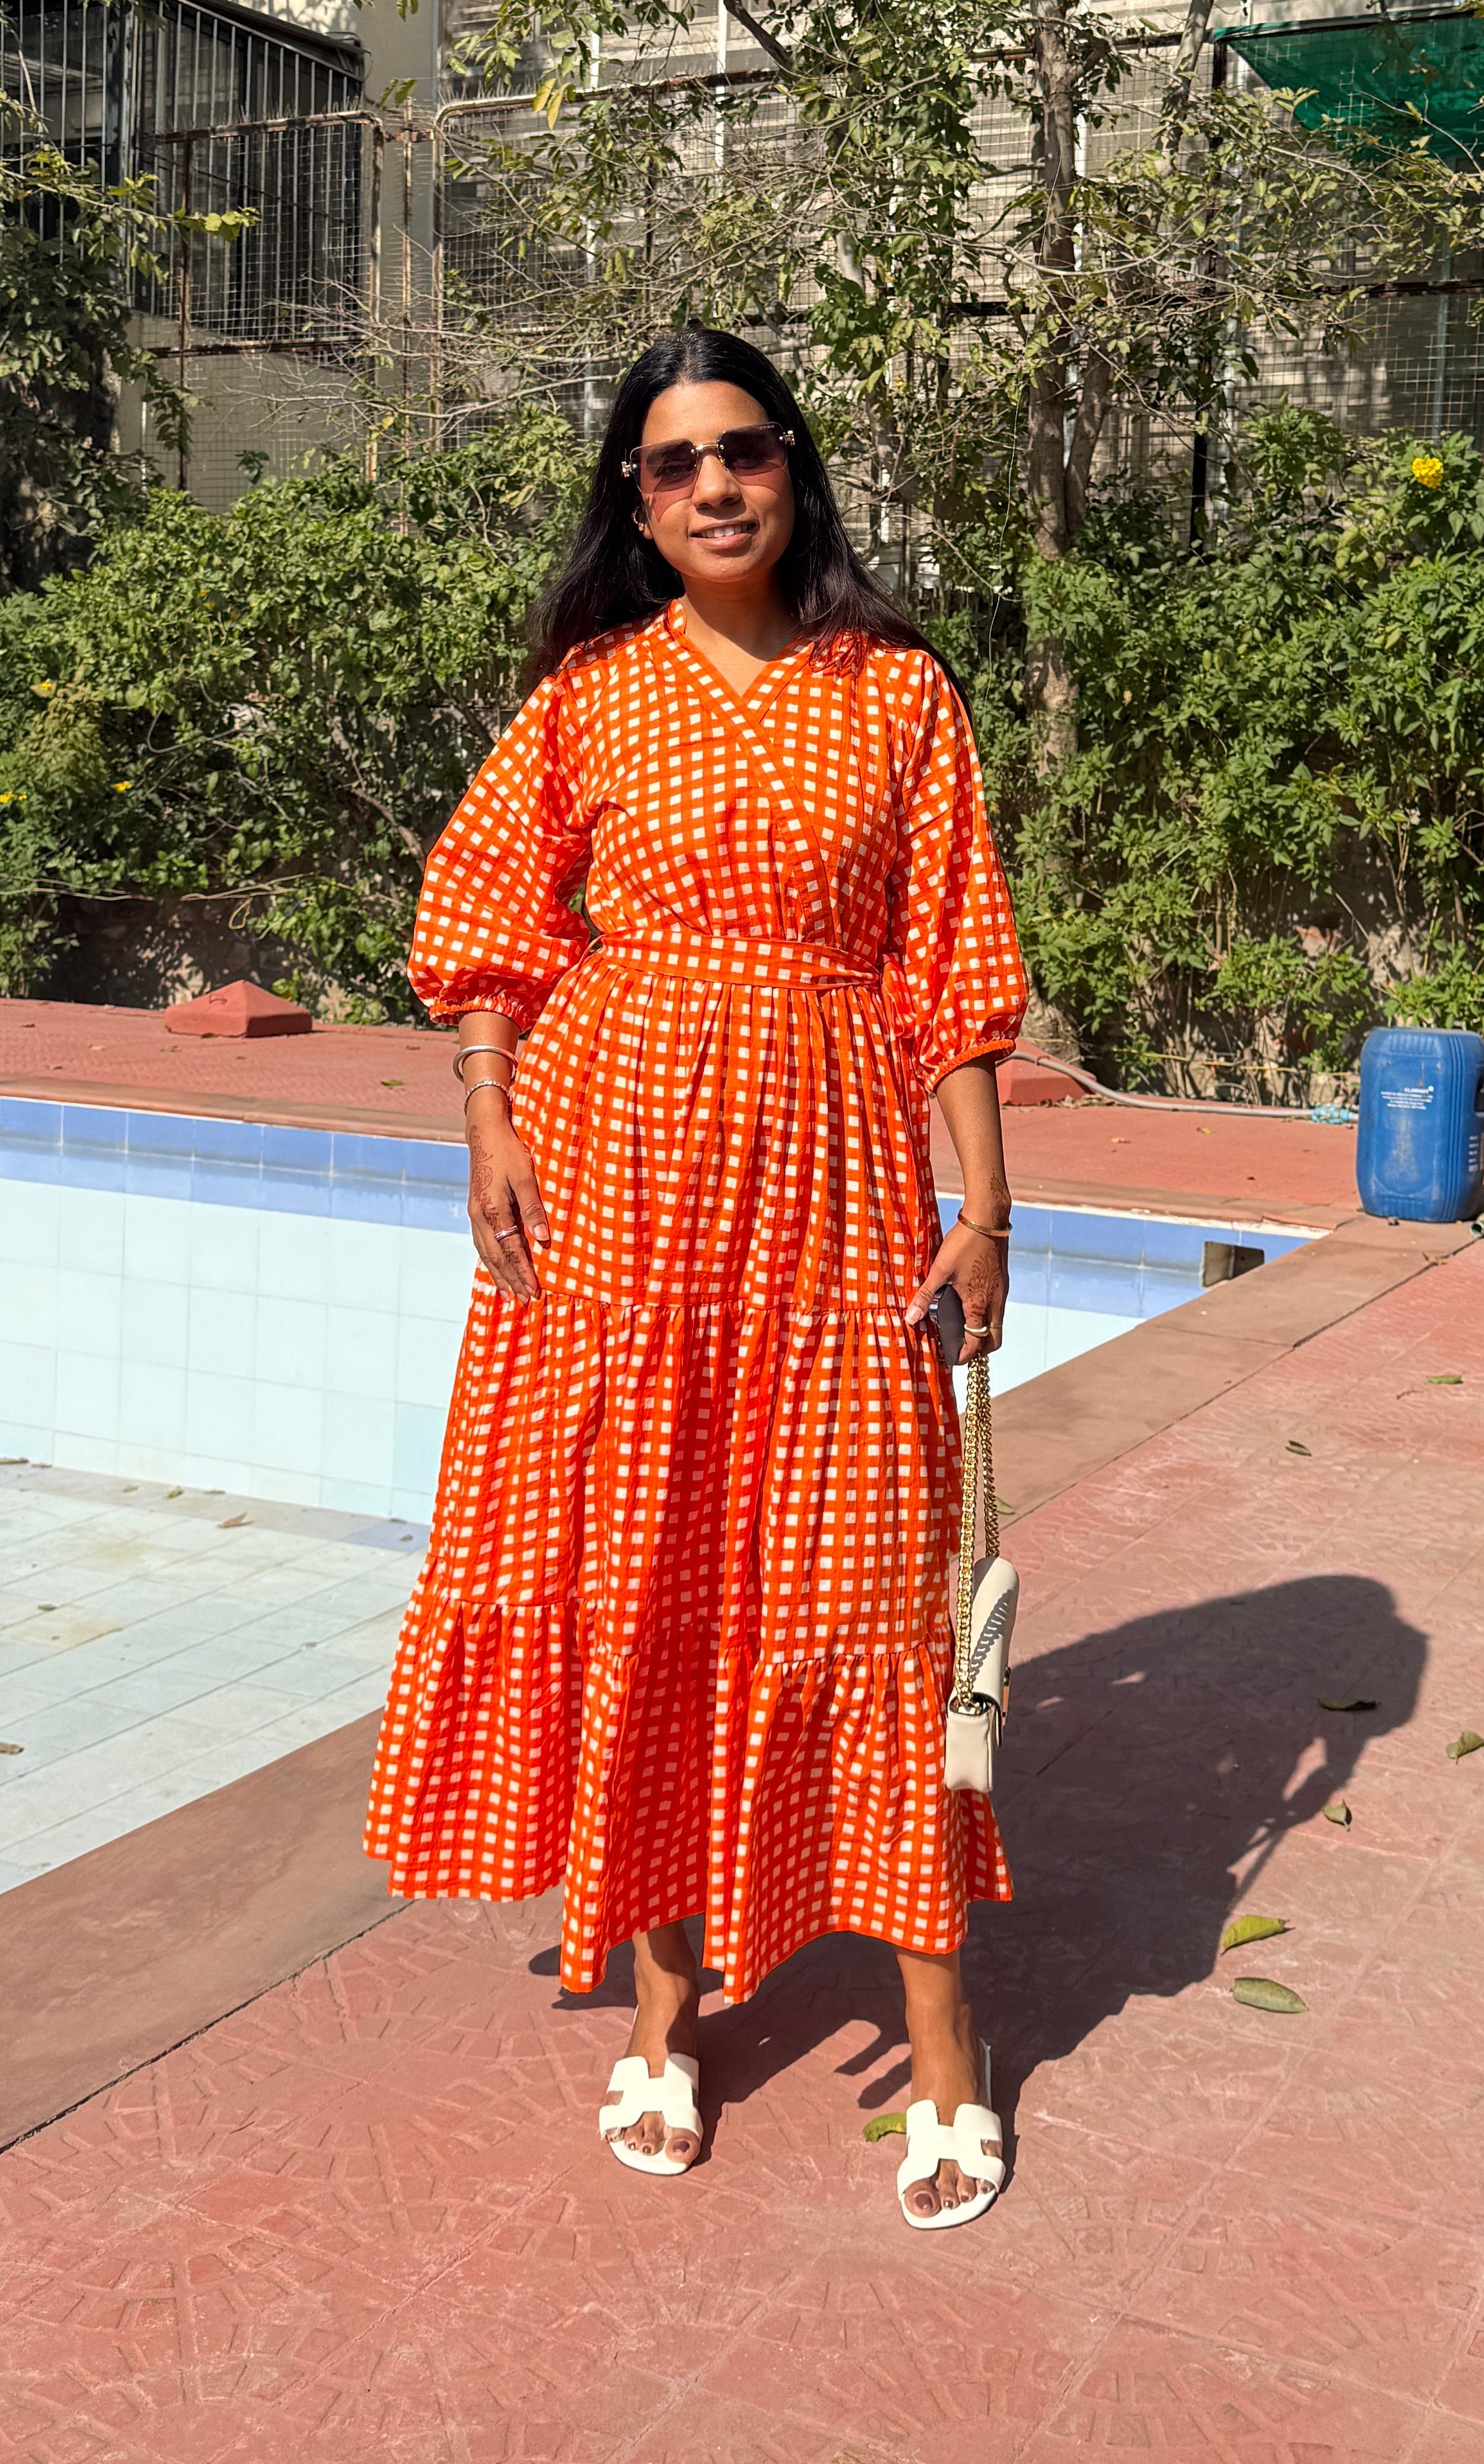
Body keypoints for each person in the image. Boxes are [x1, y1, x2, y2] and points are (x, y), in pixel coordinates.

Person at [365, 327, 1027, 2229]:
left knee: (871, 1589)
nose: (715, 485)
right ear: (634, 503)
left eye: (743, 449)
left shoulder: (895, 691)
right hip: (615, 1182)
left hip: (828, 1182)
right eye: (672, 464)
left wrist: (985, 1205)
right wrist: (488, 1122)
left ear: (794, 468)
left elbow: (952, 964)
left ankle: (948, 2045)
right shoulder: (590, 693)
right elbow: (486, 919)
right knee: (638, 1573)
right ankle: (663, 2012)